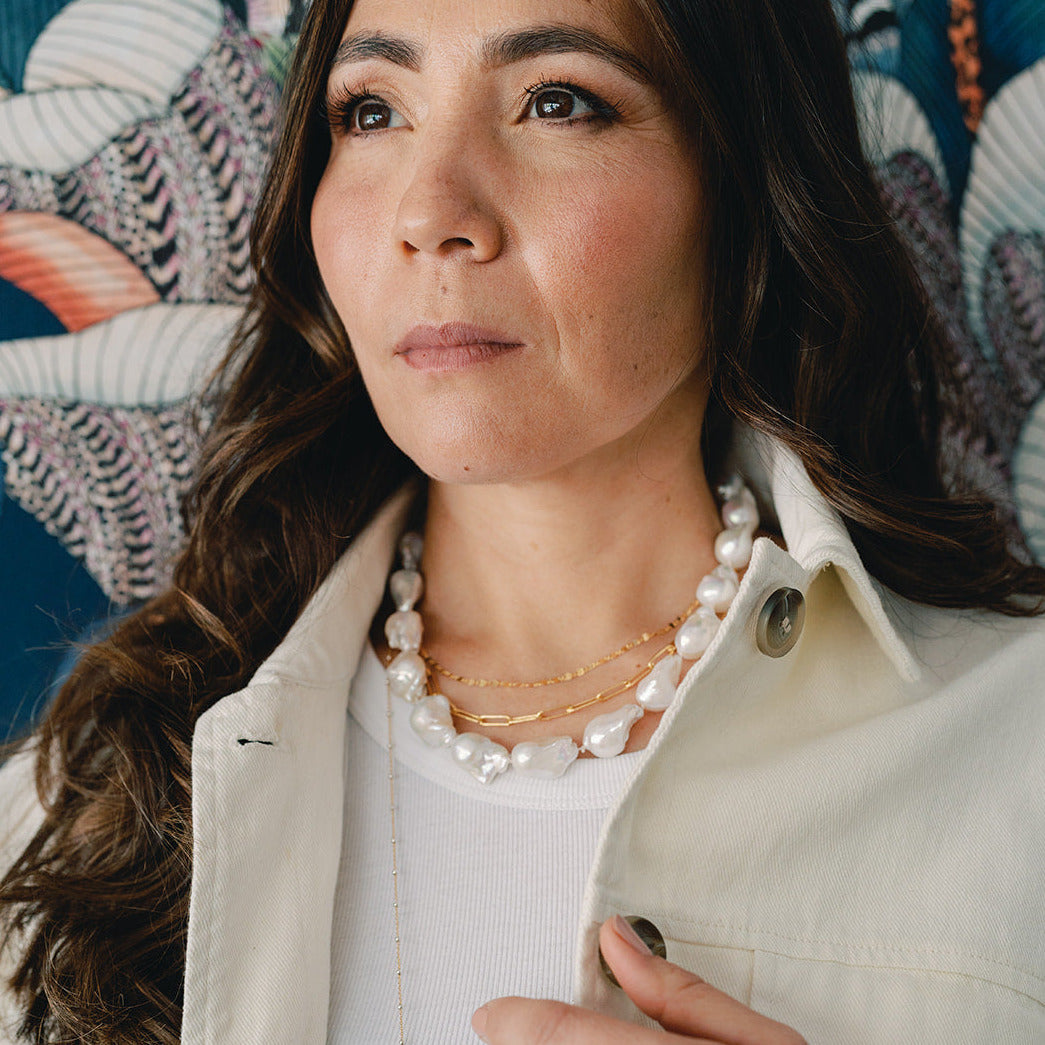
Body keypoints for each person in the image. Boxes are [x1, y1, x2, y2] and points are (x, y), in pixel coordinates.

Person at [2, 0, 1045, 1042]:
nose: (431, 209)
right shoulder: (68, 822)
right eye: (370, 111)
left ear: (741, 180)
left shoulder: (1015, 744)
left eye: (556, 102)